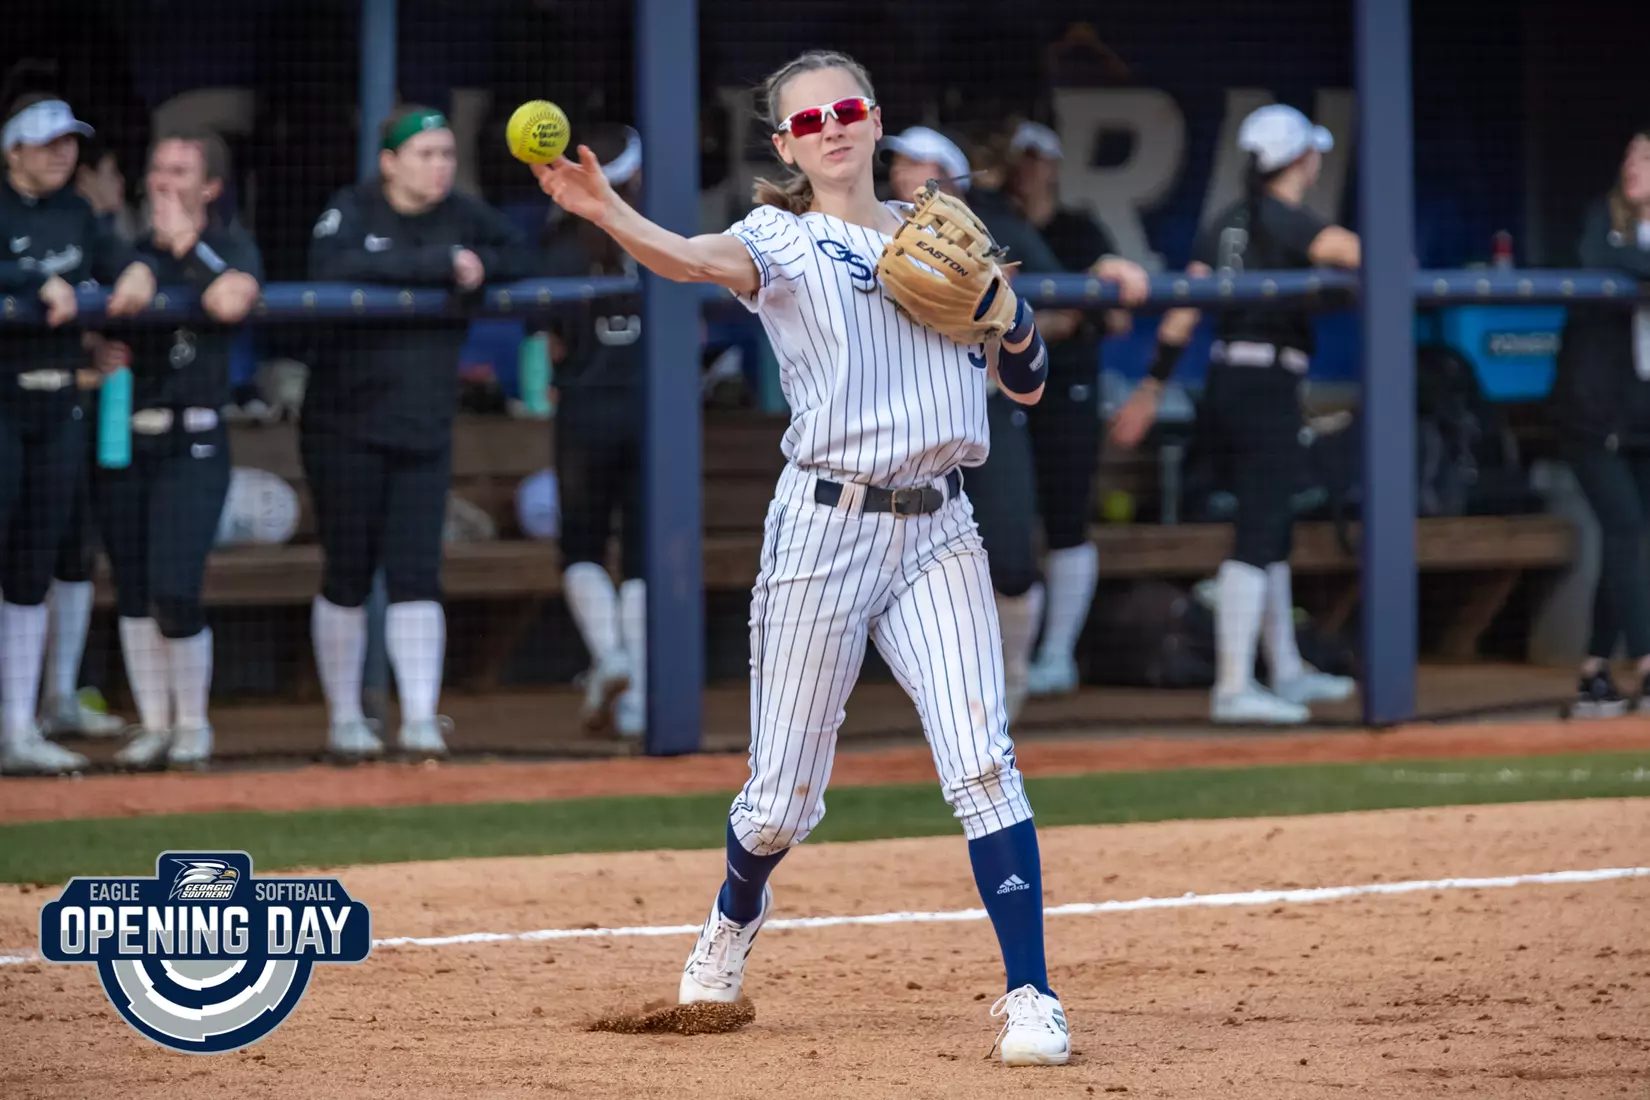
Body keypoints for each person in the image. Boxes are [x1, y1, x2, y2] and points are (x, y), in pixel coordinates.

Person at [534, 51, 1071, 1065]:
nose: (832, 126)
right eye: (809, 118)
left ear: (876, 123)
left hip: (941, 527)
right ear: (785, 144)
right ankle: (733, 915)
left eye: (849, 108)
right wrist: (605, 208)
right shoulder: (779, 236)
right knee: (779, 798)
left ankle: (1031, 993)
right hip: (824, 529)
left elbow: (1031, 386)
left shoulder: (943, 237)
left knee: (983, 758)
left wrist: (1008, 311)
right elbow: (692, 259)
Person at [1110, 104, 1359, 725]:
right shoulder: (1288, 218)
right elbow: (1355, 252)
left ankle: (1287, 670)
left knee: (1267, 529)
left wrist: (1148, 389)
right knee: (1259, 532)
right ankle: (1232, 686)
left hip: (1228, 381)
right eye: (1312, 151)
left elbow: (1182, 312)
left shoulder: (1225, 221)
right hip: (1263, 386)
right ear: (1301, 158)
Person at [305, 105, 539, 761]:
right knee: (347, 571)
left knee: (416, 573)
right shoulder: (353, 208)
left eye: (445, 154)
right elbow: (330, 265)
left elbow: (523, 253)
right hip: (342, 424)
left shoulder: (463, 212)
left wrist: (479, 266)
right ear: (389, 162)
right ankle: (346, 719)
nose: (438, 166)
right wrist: (441, 263)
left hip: (424, 425)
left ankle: (417, 719)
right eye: (424, 154)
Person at [96, 129, 261, 771]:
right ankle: (155, 724)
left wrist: (183, 246)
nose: (165, 181)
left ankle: (193, 725)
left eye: (181, 171)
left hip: (195, 438)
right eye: (158, 169)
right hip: (130, 437)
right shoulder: (128, 251)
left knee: (176, 585)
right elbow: (105, 308)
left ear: (209, 187)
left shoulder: (228, 244)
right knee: (134, 589)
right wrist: (98, 346)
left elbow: (229, 299)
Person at [0, 95, 156, 776]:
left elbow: (121, 262)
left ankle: (19, 726)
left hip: (59, 404)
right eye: (47, 143)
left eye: (69, 142)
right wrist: (39, 282)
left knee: (34, 567)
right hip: (3, 403)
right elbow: (39, 280)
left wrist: (139, 271)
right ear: (14, 152)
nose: (63, 153)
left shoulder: (79, 214)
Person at [1004, 121, 1145, 699]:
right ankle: (1009, 662)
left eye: (1040, 158)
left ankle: (1058, 654)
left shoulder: (1079, 228)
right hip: (1009, 392)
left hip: (1069, 390)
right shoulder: (998, 228)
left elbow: (1118, 315)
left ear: (1056, 166)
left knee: (1066, 517)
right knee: (1007, 525)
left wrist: (1057, 323)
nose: (1031, 168)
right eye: (1022, 157)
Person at [542, 125, 648, 739]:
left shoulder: (560, 241)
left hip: (583, 408)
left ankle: (611, 657)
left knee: (581, 545)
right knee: (640, 554)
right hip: (648, 413)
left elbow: (546, 340)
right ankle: (633, 695)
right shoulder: (655, 233)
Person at [39, 133, 139, 741]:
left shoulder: (96, 231)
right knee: (23, 562)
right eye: (109, 175)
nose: (114, 187)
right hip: (25, 410)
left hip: (79, 423)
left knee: (75, 556)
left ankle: (61, 695)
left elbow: (126, 295)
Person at [1550, 126, 1650, 717]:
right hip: (1592, 414)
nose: (1634, 166)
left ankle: (1593, 668)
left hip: (1641, 415)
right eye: (1631, 156)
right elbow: (1598, 258)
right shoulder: (1602, 220)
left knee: (1629, 539)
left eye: (1648, 158)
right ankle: (1644, 661)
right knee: (1624, 529)